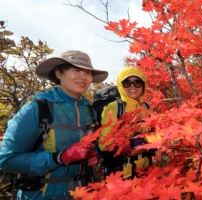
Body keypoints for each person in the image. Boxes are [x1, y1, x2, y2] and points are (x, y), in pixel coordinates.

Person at [0, 50, 108, 199]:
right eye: (76, 70)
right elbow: (7, 160)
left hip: (83, 193)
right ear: (58, 73)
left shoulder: (89, 110)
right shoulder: (37, 108)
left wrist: (92, 154)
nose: (83, 77)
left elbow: (91, 145)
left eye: (88, 73)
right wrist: (60, 157)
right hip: (43, 194)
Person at [99, 66, 154, 179]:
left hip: (145, 168)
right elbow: (103, 144)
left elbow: (154, 133)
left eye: (137, 82)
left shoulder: (147, 107)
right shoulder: (114, 107)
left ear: (143, 86)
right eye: (127, 82)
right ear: (120, 85)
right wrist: (124, 145)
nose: (132, 86)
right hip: (120, 171)